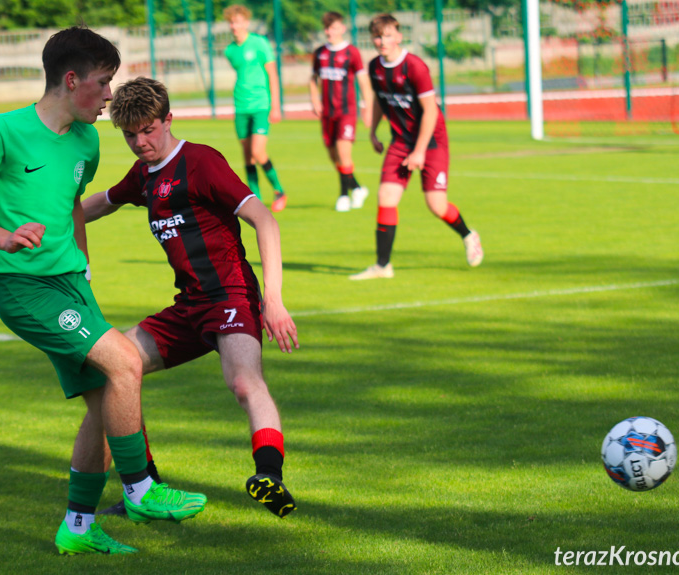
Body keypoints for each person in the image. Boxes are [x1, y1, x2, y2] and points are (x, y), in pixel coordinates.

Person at [0, 27, 206, 556]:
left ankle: (79, 528)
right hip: (22, 286)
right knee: (126, 363)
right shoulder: (2, 131)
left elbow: (70, 204)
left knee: (105, 403)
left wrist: (84, 266)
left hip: (72, 285)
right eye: (104, 82)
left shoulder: (87, 141)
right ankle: (140, 491)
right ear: (72, 80)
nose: (110, 94)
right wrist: (6, 238)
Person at [83, 77, 299, 519]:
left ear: (168, 119)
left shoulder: (201, 162)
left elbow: (265, 221)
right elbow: (100, 203)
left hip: (230, 296)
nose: (140, 142)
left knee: (244, 382)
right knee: (113, 372)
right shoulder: (144, 175)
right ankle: (145, 490)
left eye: (148, 129)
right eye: (130, 134)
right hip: (187, 306)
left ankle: (269, 477)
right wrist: (32, 221)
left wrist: (273, 301)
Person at [349, 14, 483, 280]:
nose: (382, 41)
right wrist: (373, 131)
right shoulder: (375, 66)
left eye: (387, 35)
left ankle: (469, 235)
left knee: (436, 205)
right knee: (386, 198)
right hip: (400, 142)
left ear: (399, 36)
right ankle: (382, 266)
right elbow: (379, 100)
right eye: (377, 36)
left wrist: (420, 150)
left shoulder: (415, 66)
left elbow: (431, 111)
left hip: (431, 141)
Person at [223, 4, 288, 212]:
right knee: (247, 155)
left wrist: (276, 106)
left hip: (261, 105)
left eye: (238, 21)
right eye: (232, 22)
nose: (235, 25)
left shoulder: (259, 43)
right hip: (240, 107)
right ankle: (255, 198)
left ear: (246, 22)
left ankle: (279, 190)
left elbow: (272, 74)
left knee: (258, 151)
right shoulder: (230, 51)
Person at [309, 11, 374, 212]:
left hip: (346, 112)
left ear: (342, 28)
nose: (330, 32)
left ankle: (343, 196)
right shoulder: (320, 52)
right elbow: (313, 79)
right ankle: (357, 188)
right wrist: (314, 100)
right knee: (333, 156)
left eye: (334, 27)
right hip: (327, 114)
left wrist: (368, 108)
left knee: (344, 154)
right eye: (327, 28)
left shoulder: (351, 52)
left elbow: (363, 81)